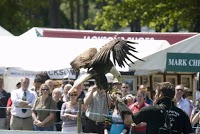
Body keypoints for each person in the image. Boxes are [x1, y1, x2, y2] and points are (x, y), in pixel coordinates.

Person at [120, 82, 194, 134]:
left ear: (160, 94)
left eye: (156, 93)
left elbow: (127, 120)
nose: (155, 96)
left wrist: (120, 104)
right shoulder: (182, 114)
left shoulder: (150, 110)